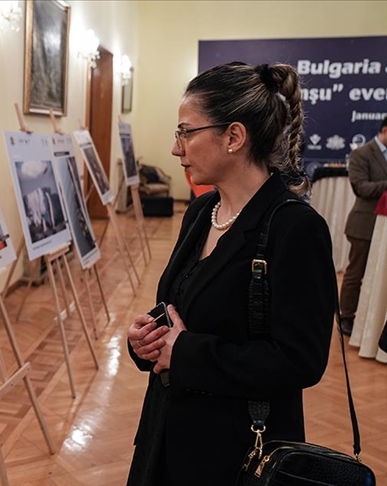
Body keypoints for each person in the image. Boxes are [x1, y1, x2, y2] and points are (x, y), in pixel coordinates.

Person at [125, 62, 335, 485]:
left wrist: (183, 353)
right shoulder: (203, 211)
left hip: (235, 454)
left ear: (234, 137)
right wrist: (146, 340)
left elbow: (300, 361)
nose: (175, 148)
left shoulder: (296, 229)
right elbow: (183, 304)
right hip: (166, 436)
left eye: (186, 132)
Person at [339, 116, 387, 336]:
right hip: (364, 225)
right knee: (355, 274)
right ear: (385, 130)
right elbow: (361, 188)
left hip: (383, 227)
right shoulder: (362, 154)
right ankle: (346, 317)